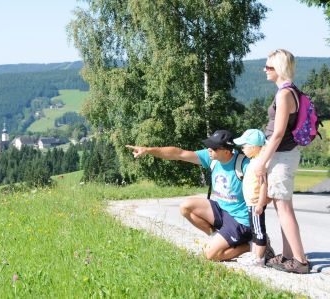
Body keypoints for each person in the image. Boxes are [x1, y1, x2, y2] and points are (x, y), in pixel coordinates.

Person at [127, 130, 254, 261]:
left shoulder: (243, 164)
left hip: (240, 220)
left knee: (211, 256)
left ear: (227, 151)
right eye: (209, 146)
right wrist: (148, 150)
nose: (209, 150)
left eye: (214, 148)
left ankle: (251, 246)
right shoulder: (211, 158)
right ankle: (217, 237)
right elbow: (178, 153)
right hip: (222, 211)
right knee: (186, 207)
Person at [254, 49, 310, 274]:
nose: (264, 70)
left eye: (268, 67)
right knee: (280, 205)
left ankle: (301, 261)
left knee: (284, 208)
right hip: (283, 154)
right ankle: (287, 256)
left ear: (279, 68)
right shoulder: (289, 91)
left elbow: (277, 134)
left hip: (281, 155)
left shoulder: (285, 94)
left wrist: (261, 162)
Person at [234, 129, 272, 267]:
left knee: (258, 231)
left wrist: (261, 204)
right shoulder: (255, 160)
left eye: (244, 146)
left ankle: (259, 259)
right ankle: (255, 255)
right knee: (254, 231)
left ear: (254, 147)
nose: (242, 149)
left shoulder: (258, 163)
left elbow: (263, 185)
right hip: (251, 203)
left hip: (256, 203)